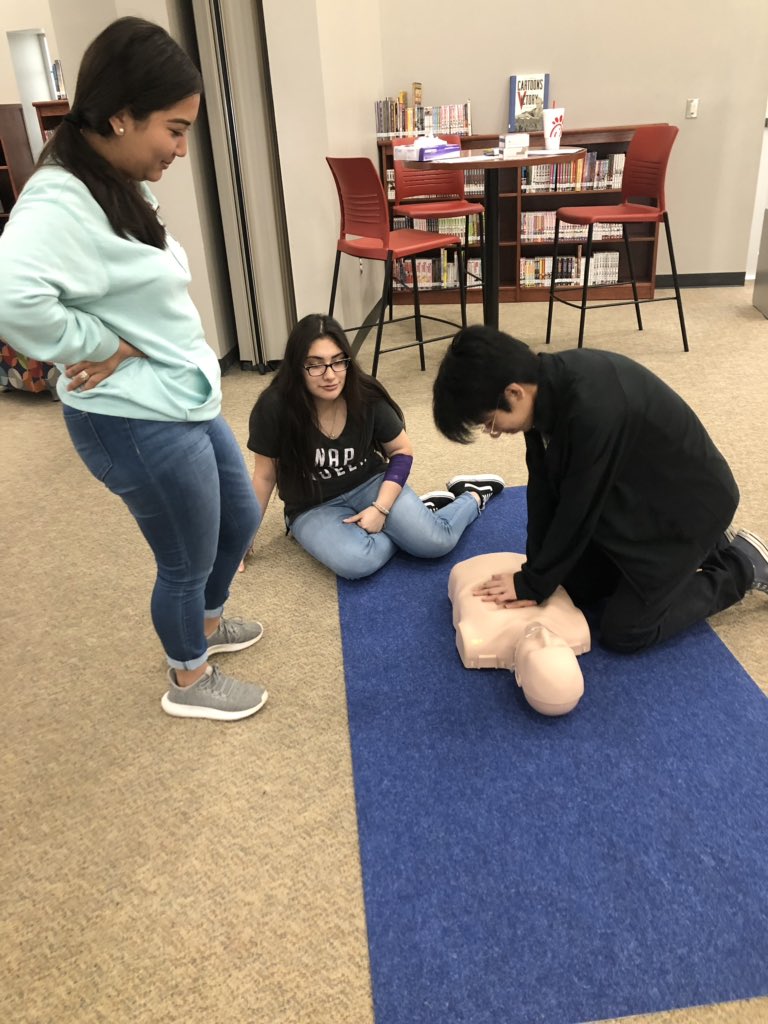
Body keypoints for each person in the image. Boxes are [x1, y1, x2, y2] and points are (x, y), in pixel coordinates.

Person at [0, 18, 267, 722]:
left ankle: (205, 622)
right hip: (131, 415)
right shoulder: (60, 198)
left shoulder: (113, 178)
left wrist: (127, 337)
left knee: (240, 516)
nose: (180, 149)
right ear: (121, 115)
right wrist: (100, 343)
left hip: (177, 391)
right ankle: (189, 676)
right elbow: (10, 297)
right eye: (174, 130)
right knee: (185, 556)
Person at [432, 324, 768, 653]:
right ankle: (707, 549)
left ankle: (743, 564)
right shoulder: (543, 389)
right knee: (573, 585)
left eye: (490, 422)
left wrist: (532, 584)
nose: (493, 433)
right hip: (637, 493)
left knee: (626, 630)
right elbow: (543, 490)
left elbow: (578, 508)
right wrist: (534, 574)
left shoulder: (591, 408)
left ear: (513, 393)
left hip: (688, 510)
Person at [246, 313, 504, 579]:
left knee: (437, 542)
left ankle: (472, 494)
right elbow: (265, 476)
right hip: (312, 504)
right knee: (357, 562)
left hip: (370, 484)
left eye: (338, 361)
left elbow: (402, 451)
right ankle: (414, 521)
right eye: (315, 365)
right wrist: (244, 538)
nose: (330, 375)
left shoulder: (365, 394)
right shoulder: (273, 407)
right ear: (296, 367)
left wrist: (381, 508)